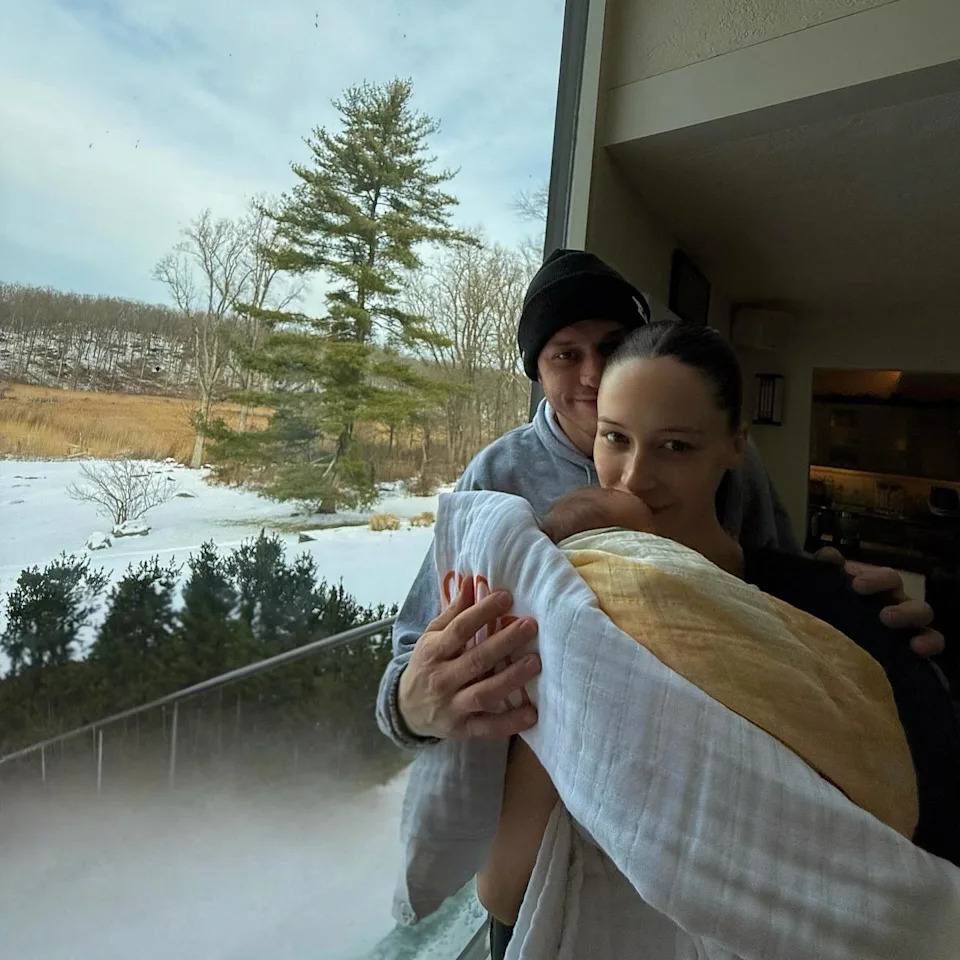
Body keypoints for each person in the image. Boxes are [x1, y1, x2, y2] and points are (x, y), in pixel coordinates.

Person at [476, 322, 960, 957]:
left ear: (736, 446)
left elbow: (927, 828)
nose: (634, 478)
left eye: (675, 446)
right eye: (615, 438)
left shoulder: (841, 607)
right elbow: (505, 891)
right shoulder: (563, 605)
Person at [376, 249, 943, 751]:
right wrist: (410, 709)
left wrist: (863, 618)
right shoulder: (496, 477)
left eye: (611, 347)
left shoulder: (733, 463)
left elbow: (775, 598)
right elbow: (414, 653)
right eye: (566, 355)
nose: (593, 375)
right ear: (537, 372)